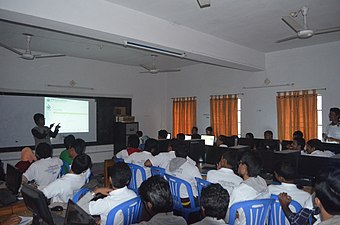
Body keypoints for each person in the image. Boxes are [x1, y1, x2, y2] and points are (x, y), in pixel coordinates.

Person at [228, 151, 269, 225]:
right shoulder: (263, 182)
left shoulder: (239, 191)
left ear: (245, 167)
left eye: (240, 163)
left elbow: (228, 215)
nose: (239, 165)